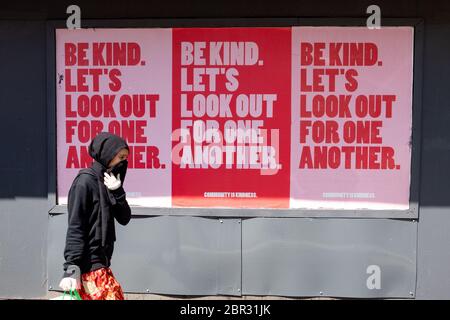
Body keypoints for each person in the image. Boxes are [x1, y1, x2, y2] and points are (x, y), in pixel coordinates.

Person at [59, 132, 132, 300]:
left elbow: (124, 218)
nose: (124, 162)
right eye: (120, 157)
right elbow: (75, 226)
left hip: (103, 264)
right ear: (107, 154)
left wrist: (118, 191)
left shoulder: (108, 181)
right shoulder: (84, 182)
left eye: (126, 157)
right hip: (88, 268)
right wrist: (71, 267)